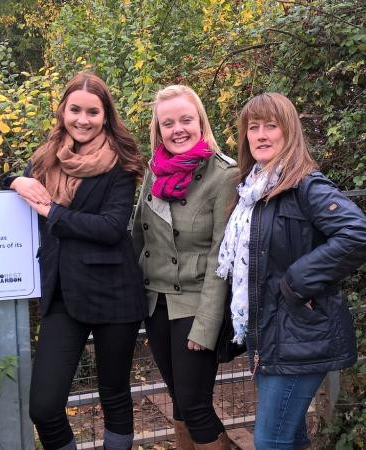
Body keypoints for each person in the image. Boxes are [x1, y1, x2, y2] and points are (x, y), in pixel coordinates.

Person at [216, 92, 366, 449]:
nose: (260, 135)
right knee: (290, 437)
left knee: (270, 441)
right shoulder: (252, 192)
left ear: (289, 131)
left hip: (300, 335)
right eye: (253, 127)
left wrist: (296, 282)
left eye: (270, 126)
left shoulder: (306, 185)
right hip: (268, 334)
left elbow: (358, 235)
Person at [5, 72, 148, 450]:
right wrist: (14, 182)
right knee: (44, 406)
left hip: (115, 292)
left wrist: (53, 213)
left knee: (114, 393)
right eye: (75, 110)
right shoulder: (45, 158)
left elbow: (112, 227)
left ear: (106, 116)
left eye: (92, 112)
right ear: (63, 111)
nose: (83, 120)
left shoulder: (120, 163)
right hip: (63, 293)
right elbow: (21, 185)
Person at [132, 85, 237, 449]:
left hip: (195, 304)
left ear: (201, 122)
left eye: (186, 120)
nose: (178, 129)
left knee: (195, 406)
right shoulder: (154, 170)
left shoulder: (224, 175)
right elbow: (138, 235)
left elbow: (221, 256)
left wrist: (206, 325)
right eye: (168, 123)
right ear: (158, 130)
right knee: (180, 399)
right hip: (156, 303)